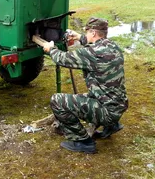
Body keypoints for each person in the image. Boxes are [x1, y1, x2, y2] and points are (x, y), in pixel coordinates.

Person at [43, 17, 128, 154]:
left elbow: (62, 59)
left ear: (93, 33)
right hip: (119, 104)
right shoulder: (113, 46)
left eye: (87, 32)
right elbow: (91, 44)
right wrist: (79, 37)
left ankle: (82, 141)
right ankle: (112, 126)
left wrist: (51, 49)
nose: (86, 34)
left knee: (57, 101)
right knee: (89, 95)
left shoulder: (91, 53)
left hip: (108, 111)